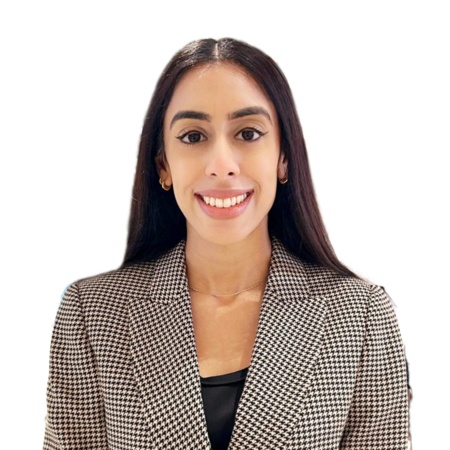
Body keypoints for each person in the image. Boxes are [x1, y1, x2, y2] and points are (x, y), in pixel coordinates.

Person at [43, 38, 411, 449]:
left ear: (283, 158)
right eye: (193, 136)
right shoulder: (92, 313)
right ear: (163, 165)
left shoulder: (361, 316)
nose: (222, 165)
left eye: (248, 133)